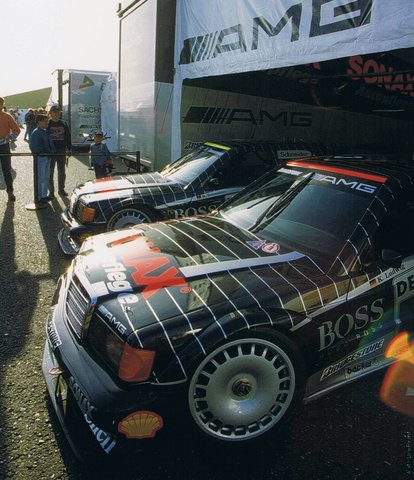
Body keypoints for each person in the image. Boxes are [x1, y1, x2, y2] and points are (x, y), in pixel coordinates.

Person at [29, 114, 56, 204]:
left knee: (46, 177)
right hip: (41, 157)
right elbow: (34, 146)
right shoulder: (36, 132)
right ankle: (39, 196)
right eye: (45, 121)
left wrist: (52, 152)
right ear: (39, 122)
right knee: (41, 177)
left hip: (47, 156)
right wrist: (46, 152)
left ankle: (43, 195)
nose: (47, 122)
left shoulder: (44, 131)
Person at [47, 105, 71, 197]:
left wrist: (69, 148)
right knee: (50, 172)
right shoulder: (47, 124)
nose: (57, 114)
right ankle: (51, 192)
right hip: (50, 151)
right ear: (50, 113)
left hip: (61, 150)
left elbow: (68, 136)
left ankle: (61, 189)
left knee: (62, 171)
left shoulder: (64, 123)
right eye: (55, 112)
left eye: (58, 112)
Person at [0, 97, 21, 201]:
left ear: (2, 105)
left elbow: (17, 130)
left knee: (7, 170)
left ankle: (10, 191)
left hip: (4, 146)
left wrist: (10, 137)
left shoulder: (7, 116)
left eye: (0, 103)